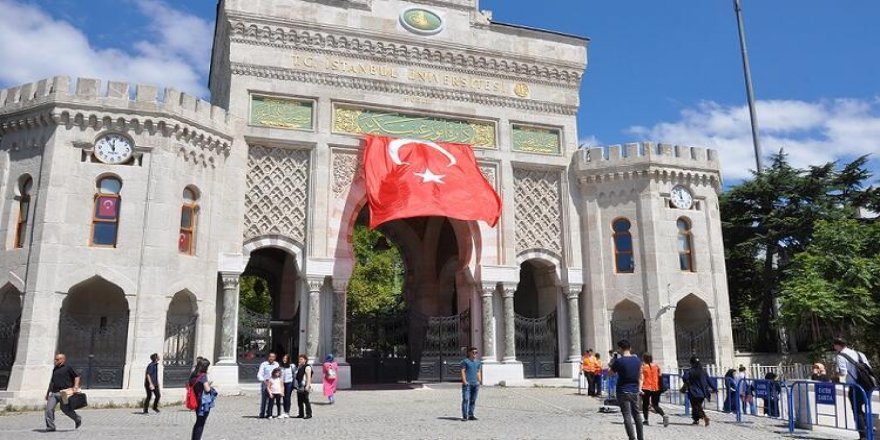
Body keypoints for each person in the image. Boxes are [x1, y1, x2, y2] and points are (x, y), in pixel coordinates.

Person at [833, 337, 871, 440]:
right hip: (867, 385)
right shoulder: (859, 354)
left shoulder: (840, 356)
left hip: (855, 386)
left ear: (837, 345)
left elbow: (843, 373)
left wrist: (836, 376)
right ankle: (870, 430)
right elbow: (868, 368)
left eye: (834, 345)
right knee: (865, 408)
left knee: (857, 410)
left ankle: (863, 436)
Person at [610, 340, 643, 440]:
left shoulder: (619, 361)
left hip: (622, 390)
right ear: (630, 348)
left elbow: (610, 373)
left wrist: (613, 360)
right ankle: (641, 437)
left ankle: (632, 438)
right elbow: (640, 376)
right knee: (637, 414)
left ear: (620, 349)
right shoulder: (637, 361)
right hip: (634, 390)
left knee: (627, 415)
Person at [45, 353, 82, 432]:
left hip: (64, 393)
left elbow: (77, 377)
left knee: (65, 409)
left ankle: (77, 418)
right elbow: (52, 382)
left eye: (57, 359)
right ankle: (51, 427)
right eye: (55, 359)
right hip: (54, 393)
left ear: (63, 360)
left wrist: (75, 387)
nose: (55, 361)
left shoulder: (68, 367)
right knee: (49, 409)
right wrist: (47, 393)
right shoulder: (55, 369)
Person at [683, 356, 716, 427]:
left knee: (696, 407)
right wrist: (714, 388)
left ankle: (704, 417)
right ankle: (696, 420)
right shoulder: (703, 372)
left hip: (693, 392)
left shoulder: (689, 371)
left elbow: (685, 378)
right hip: (702, 393)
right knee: (697, 406)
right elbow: (709, 381)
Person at [640, 353, 668, 427]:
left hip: (646, 387)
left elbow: (641, 378)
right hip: (656, 387)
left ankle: (646, 420)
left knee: (645, 405)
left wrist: (639, 388)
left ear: (644, 359)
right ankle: (664, 415)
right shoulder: (656, 366)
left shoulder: (643, 367)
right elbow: (660, 376)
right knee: (655, 404)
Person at [190, 358, 214, 440]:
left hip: (196, 398)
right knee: (201, 422)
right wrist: (210, 386)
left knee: (198, 421)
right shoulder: (203, 376)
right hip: (203, 401)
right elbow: (207, 389)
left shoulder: (193, 374)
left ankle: (194, 438)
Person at [460, 346, 482, 421]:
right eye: (473, 352)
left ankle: (471, 415)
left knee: (473, 400)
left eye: (476, 352)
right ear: (469, 353)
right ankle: (465, 416)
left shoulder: (478, 362)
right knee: (466, 399)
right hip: (467, 384)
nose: (475, 354)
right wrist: (464, 381)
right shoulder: (465, 361)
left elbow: (478, 371)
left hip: (475, 384)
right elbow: (463, 371)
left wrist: (479, 380)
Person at [256, 352, 279, 418]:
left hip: (273, 383)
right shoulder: (264, 364)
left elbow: (278, 373)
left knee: (271, 399)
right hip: (266, 383)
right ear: (268, 357)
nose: (271, 358)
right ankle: (262, 413)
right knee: (264, 399)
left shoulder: (276, 364)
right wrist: (264, 380)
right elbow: (259, 374)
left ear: (275, 358)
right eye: (270, 356)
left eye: (273, 357)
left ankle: (269, 413)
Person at [294, 354, 313, 419]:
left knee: (306, 400)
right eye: (299, 359)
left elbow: (308, 377)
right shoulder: (300, 367)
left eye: (301, 359)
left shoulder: (307, 367)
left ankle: (309, 414)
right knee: (299, 401)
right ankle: (301, 413)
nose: (300, 360)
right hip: (299, 385)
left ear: (305, 360)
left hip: (304, 385)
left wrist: (307, 386)